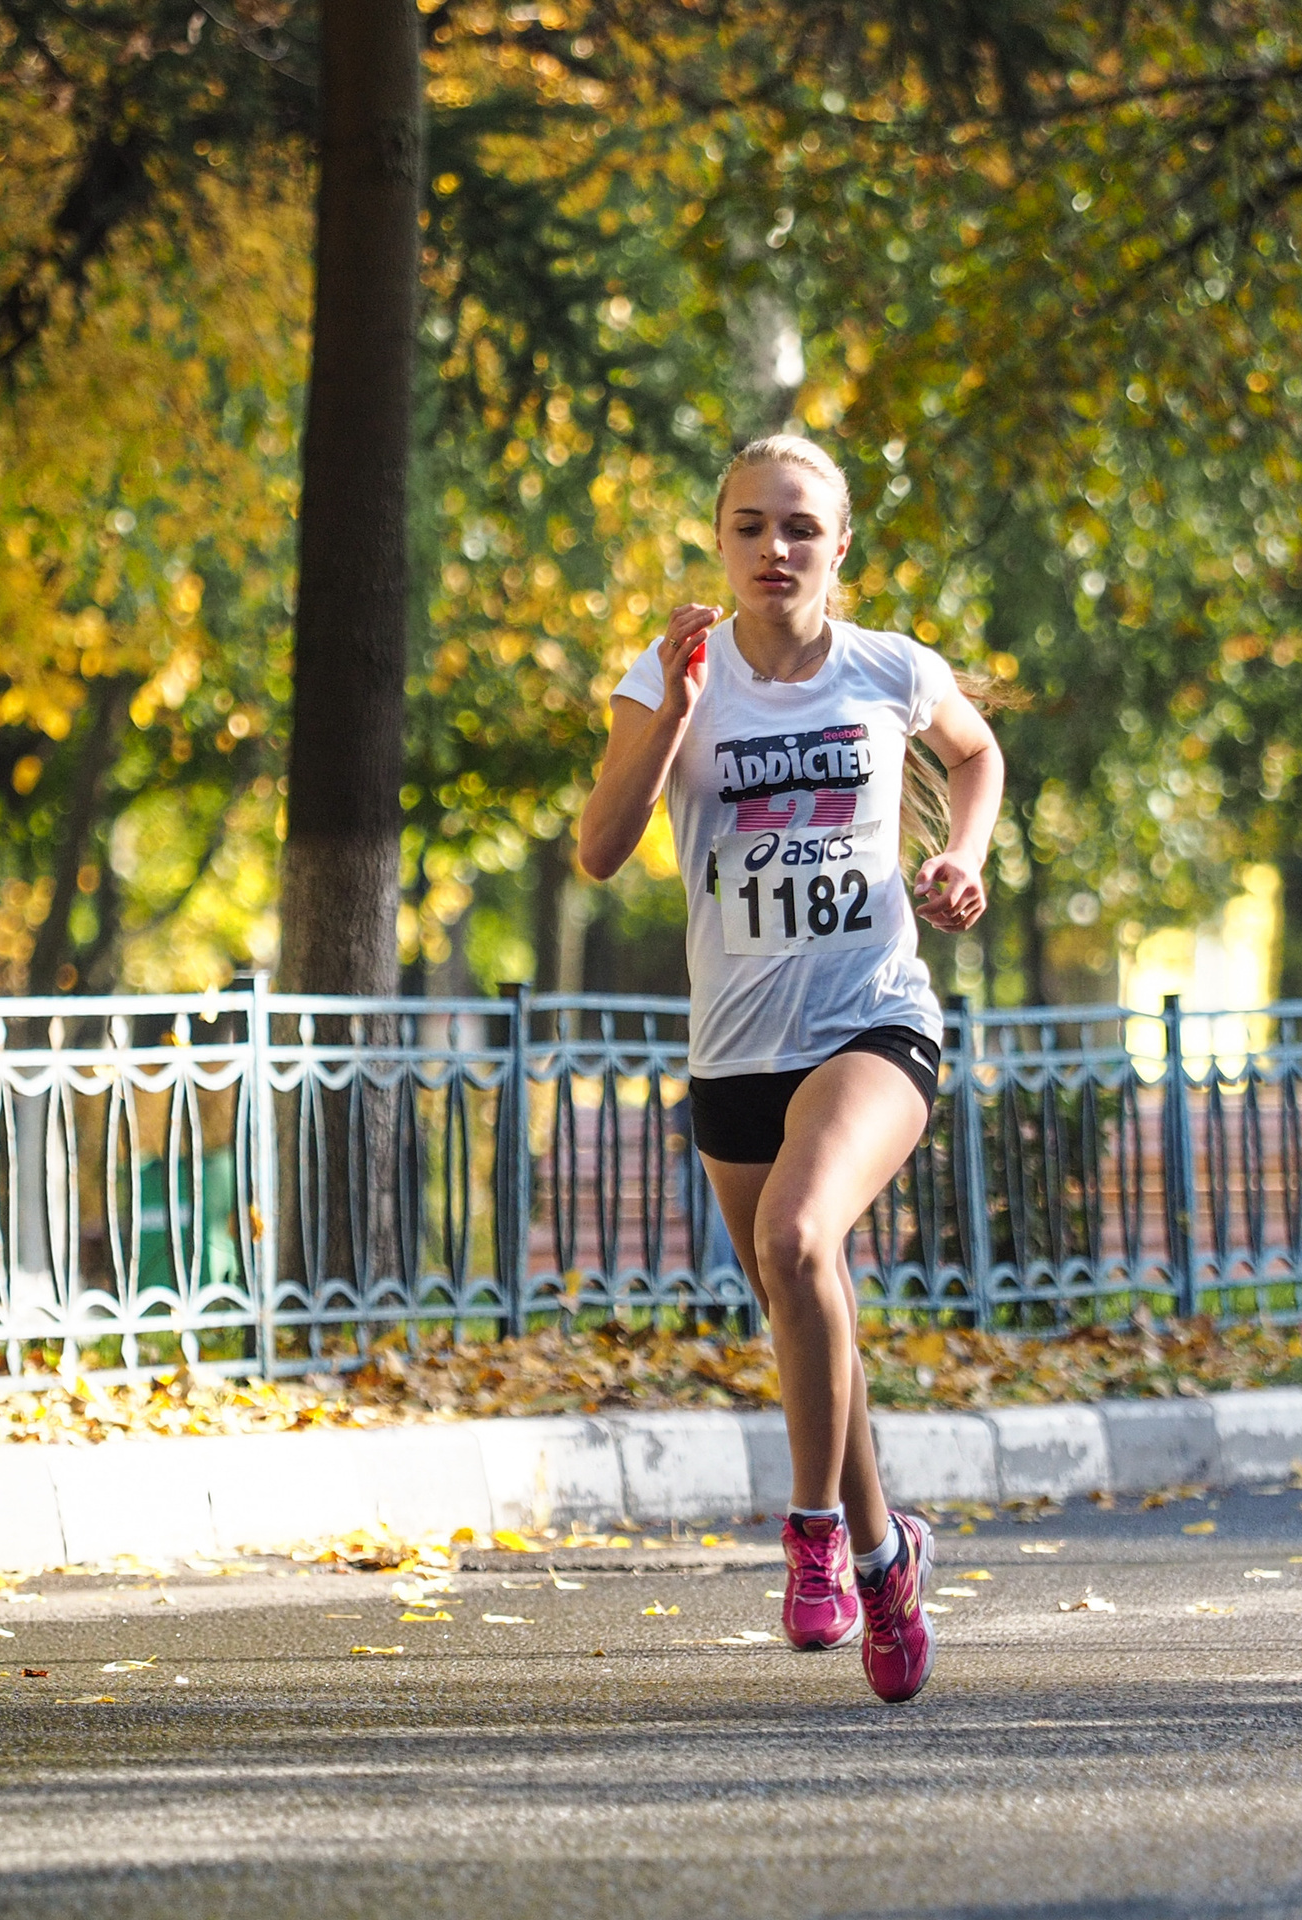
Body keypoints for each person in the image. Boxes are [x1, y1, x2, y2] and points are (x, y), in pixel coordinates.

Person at [578, 434, 1003, 1703]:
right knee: (805, 1301)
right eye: (751, 525)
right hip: (735, 1049)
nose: (775, 548)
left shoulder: (890, 668)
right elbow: (600, 848)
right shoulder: (667, 677)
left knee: (799, 1236)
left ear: (839, 544)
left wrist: (962, 857)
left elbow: (975, 754)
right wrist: (672, 709)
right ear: (720, 540)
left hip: (871, 1018)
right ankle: (885, 1556)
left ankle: (813, 1536)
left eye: (801, 526)